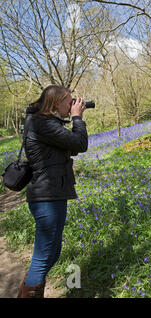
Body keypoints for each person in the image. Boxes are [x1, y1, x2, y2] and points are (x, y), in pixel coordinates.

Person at [16, 85, 88, 298]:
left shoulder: (47, 124)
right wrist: (77, 118)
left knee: (52, 252)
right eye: (69, 101)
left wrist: (73, 120)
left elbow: (73, 146)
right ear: (56, 103)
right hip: (46, 196)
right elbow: (80, 143)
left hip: (55, 193)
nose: (72, 104)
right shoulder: (41, 124)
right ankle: (30, 291)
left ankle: (30, 287)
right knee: (43, 255)